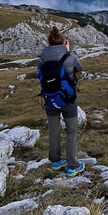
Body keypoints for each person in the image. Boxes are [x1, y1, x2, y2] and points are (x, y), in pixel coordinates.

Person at [38, 26, 84, 177]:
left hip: (49, 99)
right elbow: (78, 68)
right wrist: (68, 51)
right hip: (68, 99)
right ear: (63, 42)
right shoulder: (69, 56)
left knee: (53, 129)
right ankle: (72, 166)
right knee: (71, 131)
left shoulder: (42, 59)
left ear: (49, 43)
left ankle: (56, 161)